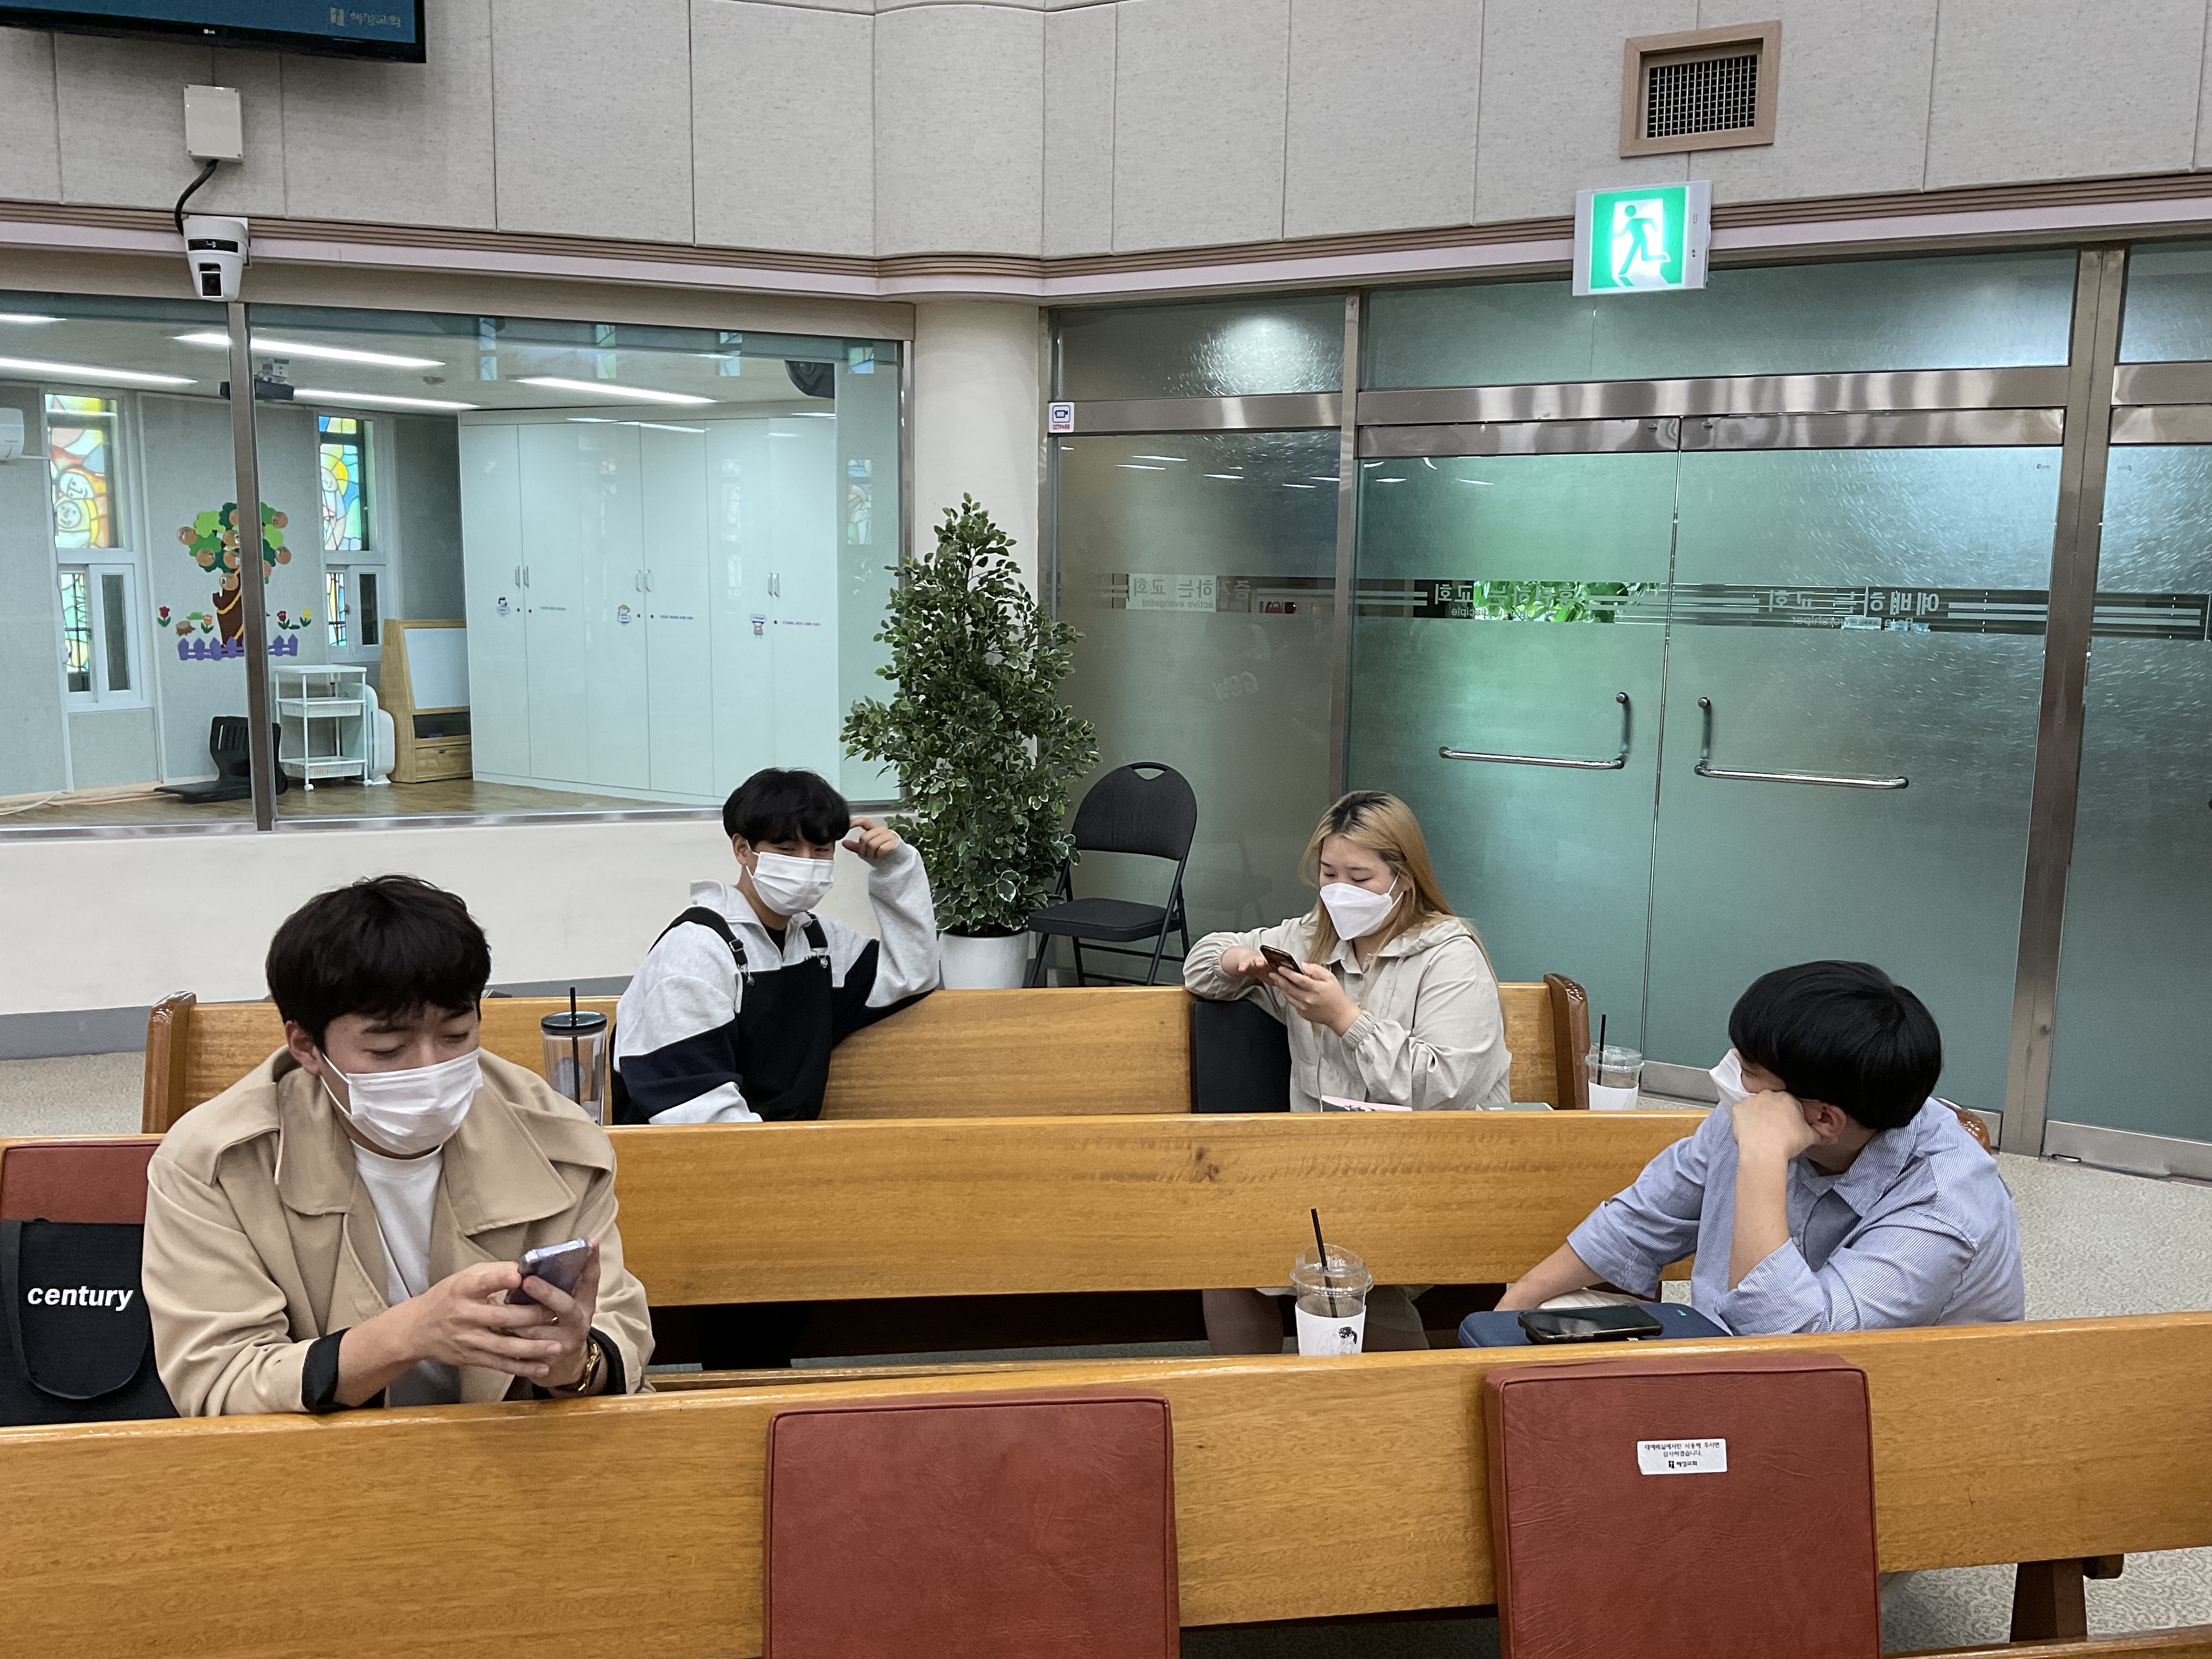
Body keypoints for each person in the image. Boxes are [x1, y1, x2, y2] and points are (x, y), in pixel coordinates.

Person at [142, 876, 653, 1416]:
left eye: (456, 1036)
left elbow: (618, 1330)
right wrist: (405, 1336)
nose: (430, 1070)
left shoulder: (558, 1141)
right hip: (318, 1456)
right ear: (307, 1047)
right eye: (388, 1049)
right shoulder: (217, 1162)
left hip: (518, 1448)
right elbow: (220, 1378)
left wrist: (574, 1366)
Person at [1498, 961, 2024, 1335]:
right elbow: (1639, 1221)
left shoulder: (1945, 1206)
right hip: (1734, 1366)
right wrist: (1506, 1314)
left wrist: (1764, 1160)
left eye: (1749, 1071)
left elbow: (1796, 1344)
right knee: (1546, 1327)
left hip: (1886, 1415)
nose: (1733, 1076)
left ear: (1823, 1118)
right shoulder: (1762, 1110)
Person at [1184, 789, 1511, 1353]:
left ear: (1403, 879)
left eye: (1360, 878)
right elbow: (1201, 965)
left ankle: (1406, 1401)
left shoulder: (1450, 957)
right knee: (1227, 1248)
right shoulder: (1313, 937)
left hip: (1432, 1169)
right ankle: (1249, 1400)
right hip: (1326, 1168)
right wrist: (1239, 962)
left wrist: (1345, 1019)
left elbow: (1443, 1088)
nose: (1340, 892)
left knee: (1338, 1265)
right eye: (1329, 874)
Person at [613, 766, 940, 1125]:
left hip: (783, 1148)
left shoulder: (819, 942)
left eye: (821, 850)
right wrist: (790, 1156)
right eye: (786, 850)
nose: (806, 864)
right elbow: (696, 1111)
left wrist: (897, 869)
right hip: (696, 1154)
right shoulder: (695, 952)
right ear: (743, 849)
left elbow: (911, 972)